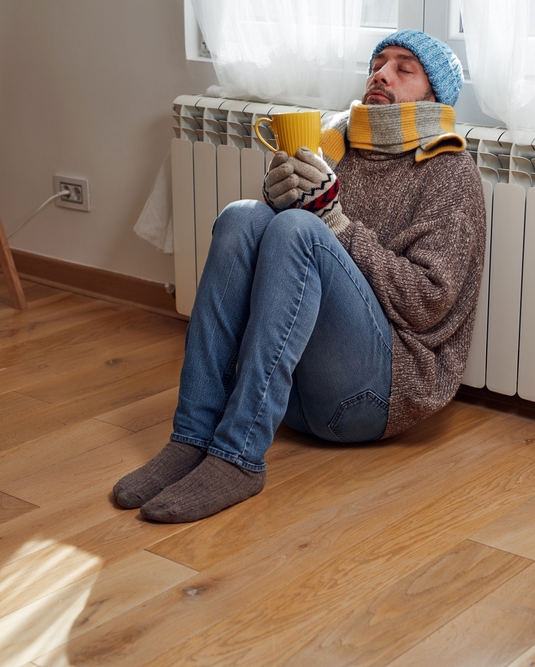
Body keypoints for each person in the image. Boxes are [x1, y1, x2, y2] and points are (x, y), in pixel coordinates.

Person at [114, 30, 487, 523]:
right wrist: (278, 196)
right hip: (296, 398)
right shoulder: (336, 141)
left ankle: (238, 456)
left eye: (403, 68)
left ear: (434, 95)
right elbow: (283, 265)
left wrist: (333, 225)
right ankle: (194, 435)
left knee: (299, 228)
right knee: (242, 217)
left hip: (375, 397)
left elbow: (427, 302)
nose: (381, 73)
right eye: (379, 62)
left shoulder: (449, 170)